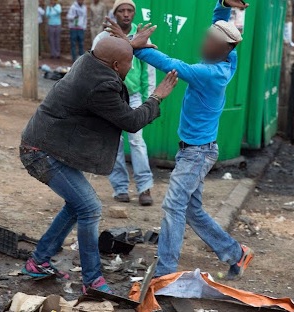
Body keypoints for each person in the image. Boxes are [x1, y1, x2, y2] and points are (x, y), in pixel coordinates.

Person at [106, 0, 254, 280]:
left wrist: (135, 46)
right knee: (192, 210)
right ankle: (236, 253)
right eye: (207, 36)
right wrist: (223, 4)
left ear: (223, 49)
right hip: (195, 151)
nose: (204, 41)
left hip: (197, 154)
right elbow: (220, 21)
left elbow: (171, 65)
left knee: (174, 205)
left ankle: (164, 273)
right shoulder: (227, 58)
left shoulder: (208, 74)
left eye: (210, 40)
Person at [19, 36, 178, 293]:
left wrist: (129, 45)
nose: (131, 67)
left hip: (48, 144)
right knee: (90, 207)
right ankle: (92, 281)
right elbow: (131, 121)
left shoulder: (90, 59)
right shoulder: (99, 86)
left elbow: (106, 49)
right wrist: (157, 97)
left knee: (77, 205)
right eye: (129, 62)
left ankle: (38, 262)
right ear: (116, 65)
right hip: (41, 152)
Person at [92, 0, 157, 206]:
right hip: (111, 98)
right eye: (122, 10)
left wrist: (151, 99)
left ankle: (144, 188)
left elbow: (149, 71)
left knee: (137, 142)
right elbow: (94, 67)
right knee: (115, 143)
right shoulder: (103, 38)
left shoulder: (139, 38)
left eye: (130, 10)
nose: (126, 14)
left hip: (135, 97)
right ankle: (120, 188)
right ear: (115, 13)